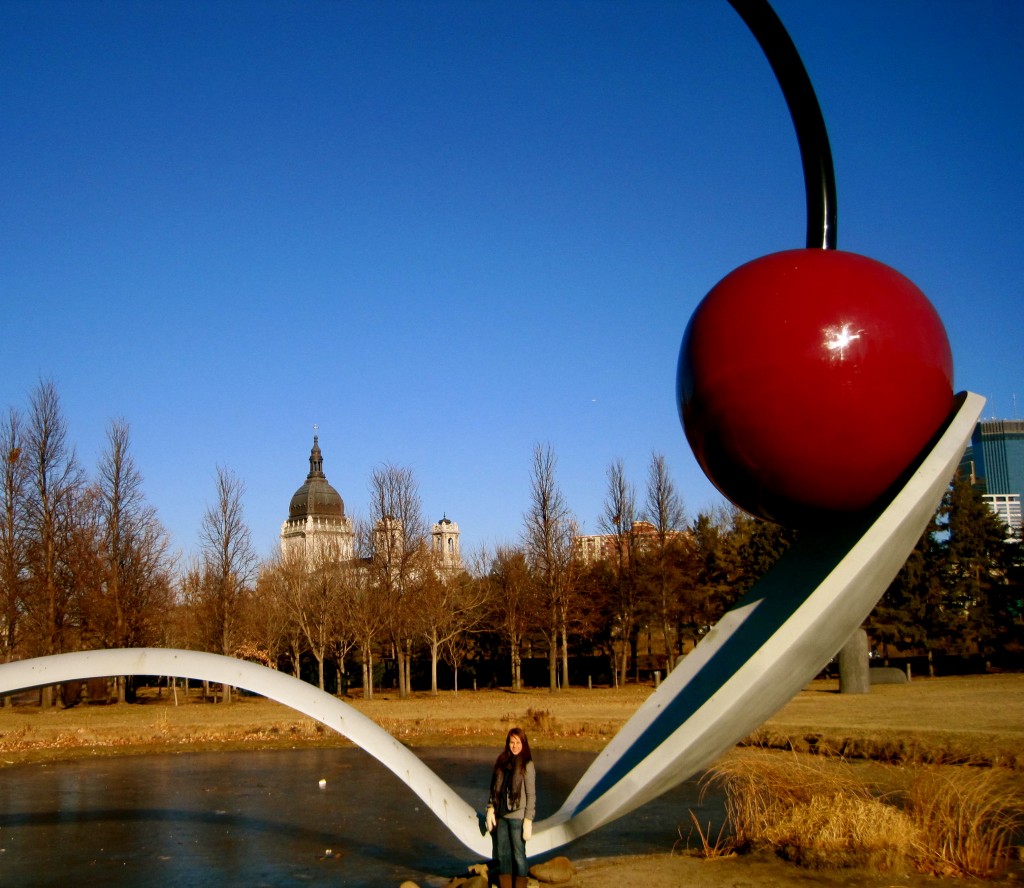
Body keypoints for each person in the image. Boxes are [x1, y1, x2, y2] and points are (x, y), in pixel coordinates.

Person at [485, 727, 536, 888]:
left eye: (518, 742)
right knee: (503, 855)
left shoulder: (527, 765)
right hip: (502, 816)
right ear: (508, 743)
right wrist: (490, 809)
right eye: (512, 742)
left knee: (519, 855)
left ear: (523, 743)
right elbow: (494, 789)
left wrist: (528, 820)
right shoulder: (502, 762)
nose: (515, 746)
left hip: (517, 818)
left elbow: (531, 795)